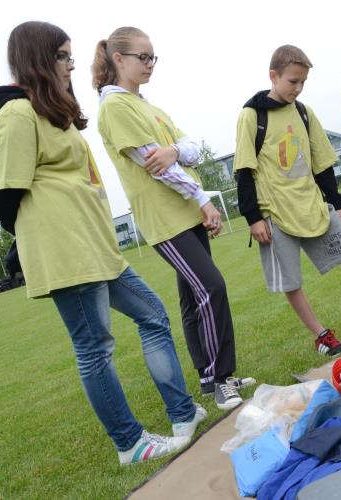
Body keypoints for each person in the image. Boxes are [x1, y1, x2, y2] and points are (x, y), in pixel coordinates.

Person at [0, 21, 206, 465]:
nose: (71, 64)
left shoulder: (48, 110)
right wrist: (39, 237)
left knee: (153, 315)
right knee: (95, 348)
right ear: (40, 59)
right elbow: (3, 195)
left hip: (97, 248)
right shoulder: (14, 114)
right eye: (63, 56)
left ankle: (183, 411)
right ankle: (130, 443)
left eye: (70, 56)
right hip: (67, 252)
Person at [93, 27, 252, 410]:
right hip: (166, 220)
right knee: (211, 287)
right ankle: (220, 378)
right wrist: (202, 197)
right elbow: (156, 167)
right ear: (118, 59)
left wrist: (175, 150)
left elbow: (193, 149)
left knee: (193, 296)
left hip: (186, 213)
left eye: (152, 57)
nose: (149, 64)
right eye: (142, 57)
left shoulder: (149, 106)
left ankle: (207, 375)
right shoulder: (114, 107)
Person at [234, 45, 341, 356]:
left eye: (302, 83)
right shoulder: (251, 116)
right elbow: (244, 169)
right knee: (292, 281)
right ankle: (321, 334)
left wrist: (337, 203)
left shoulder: (303, 112)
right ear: (273, 76)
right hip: (274, 215)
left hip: (312, 206)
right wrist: (253, 217)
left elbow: (322, 163)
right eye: (292, 81)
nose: (297, 88)